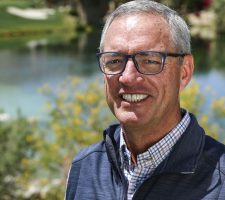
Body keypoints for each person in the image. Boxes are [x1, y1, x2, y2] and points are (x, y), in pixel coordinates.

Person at [65, 1, 225, 199]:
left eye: (149, 60)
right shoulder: (85, 168)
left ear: (184, 72)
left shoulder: (220, 182)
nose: (128, 77)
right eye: (114, 60)